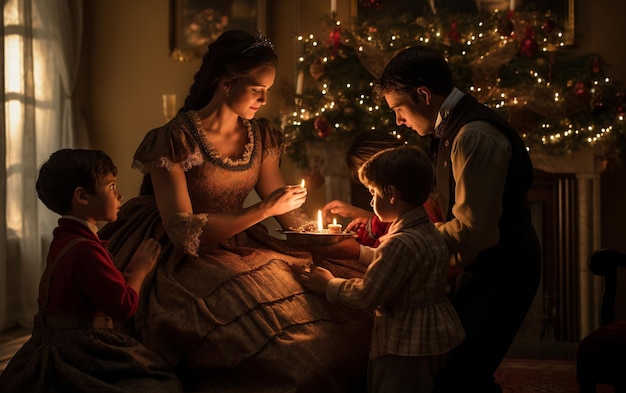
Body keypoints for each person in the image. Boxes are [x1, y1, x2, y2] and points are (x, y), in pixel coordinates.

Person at [97, 30, 372, 392]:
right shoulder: (175, 138)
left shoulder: (262, 136)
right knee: (270, 339)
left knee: (344, 309)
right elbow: (183, 231)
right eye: (257, 89)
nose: (263, 99)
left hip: (241, 241)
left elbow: (286, 213)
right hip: (182, 252)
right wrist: (263, 209)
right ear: (226, 82)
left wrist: (334, 241)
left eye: (268, 91)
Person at [372, 45, 542, 392]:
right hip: (484, 266)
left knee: (459, 374)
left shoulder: (474, 135)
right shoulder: (452, 130)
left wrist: (406, 244)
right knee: (455, 370)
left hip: (503, 270)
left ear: (423, 94)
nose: (398, 120)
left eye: (399, 109)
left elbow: (472, 229)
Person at [0, 149, 183, 393]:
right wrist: (139, 270)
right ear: (82, 197)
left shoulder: (64, 239)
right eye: (111, 186)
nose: (120, 194)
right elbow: (123, 307)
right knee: (161, 383)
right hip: (79, 348)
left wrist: (125, 274)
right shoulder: (86, 250)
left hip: (51, 339)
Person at [301, 145, 465, 393]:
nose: (370, 200)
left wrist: (329, 284)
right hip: (434, 332)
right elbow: (404, 266)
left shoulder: (399, 242)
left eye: (372, 192)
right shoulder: (428, 230)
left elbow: (367, 294)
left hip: (406, 342)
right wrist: (362, 253)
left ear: (390, 194)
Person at [322, 131, 444, 247]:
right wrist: (354, 213)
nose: (365, 180)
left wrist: (359, 252)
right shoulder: (405, 204)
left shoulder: (422, 211)